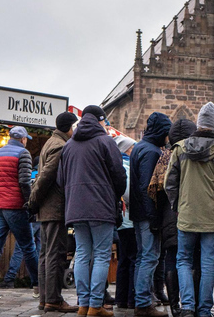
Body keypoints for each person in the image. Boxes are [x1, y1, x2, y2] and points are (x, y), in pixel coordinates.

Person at [165, 102, 214, 317]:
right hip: (212, 217)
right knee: (209, 262)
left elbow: (169, 184)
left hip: (186, 215)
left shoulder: (179, 148)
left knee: (183, 260)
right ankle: (204, 309)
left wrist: (177, 205)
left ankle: (187, 306)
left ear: (199, 124)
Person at [58, 105, 127, 317]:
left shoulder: (68, 146)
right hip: (101, 208)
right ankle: (95, 305)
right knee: (101, 255)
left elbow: (61, 181)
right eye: (105, 121)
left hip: (76, 209)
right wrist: (115, 195)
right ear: (100, 120)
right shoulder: (106, 142)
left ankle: (83, 304)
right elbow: (119, 175)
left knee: (82, 254)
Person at [28, 111, 79, 312]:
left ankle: (45, 298)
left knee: (45, 254)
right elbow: (46, 177)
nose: (75, 131)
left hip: (46, 208)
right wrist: (33, 200)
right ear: (68, 128)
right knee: (55, 254)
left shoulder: (50, 142)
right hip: (54, 207)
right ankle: (54, 299)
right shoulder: (60, 146)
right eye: (73, 127)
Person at [0, 126, 39, 301]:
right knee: (28, 247)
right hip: (16, 207)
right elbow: (24, 182)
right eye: (26, 139)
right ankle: (38, 286)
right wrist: (30, 204)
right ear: (22, 139)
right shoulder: (23, 154)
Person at [150, 118, 198, 317]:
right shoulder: (194, 154)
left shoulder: (164, 156)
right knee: (191, 259)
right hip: (192, 213)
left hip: (169, 214)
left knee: (172, 257)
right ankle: (192, 304)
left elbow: (155, 190)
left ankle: (175, 306)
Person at [130, 112, 172, 317]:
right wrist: (154, 218)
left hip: (138, 214)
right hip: (147, 214)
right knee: (150, 257)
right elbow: (148, 188)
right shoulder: (151, 151)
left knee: (142, 257)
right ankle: (143, 303)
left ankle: (142, 299)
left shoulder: (139, 146)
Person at [114, 135, 137, 310]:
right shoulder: (127, 166)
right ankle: (131, 299)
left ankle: (120, 299)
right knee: (132, 259)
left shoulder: (116, 165)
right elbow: (127, 193)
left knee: (123, 260)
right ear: (127, 150)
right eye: (132, 147)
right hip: (129, 219)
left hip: (122, 222)